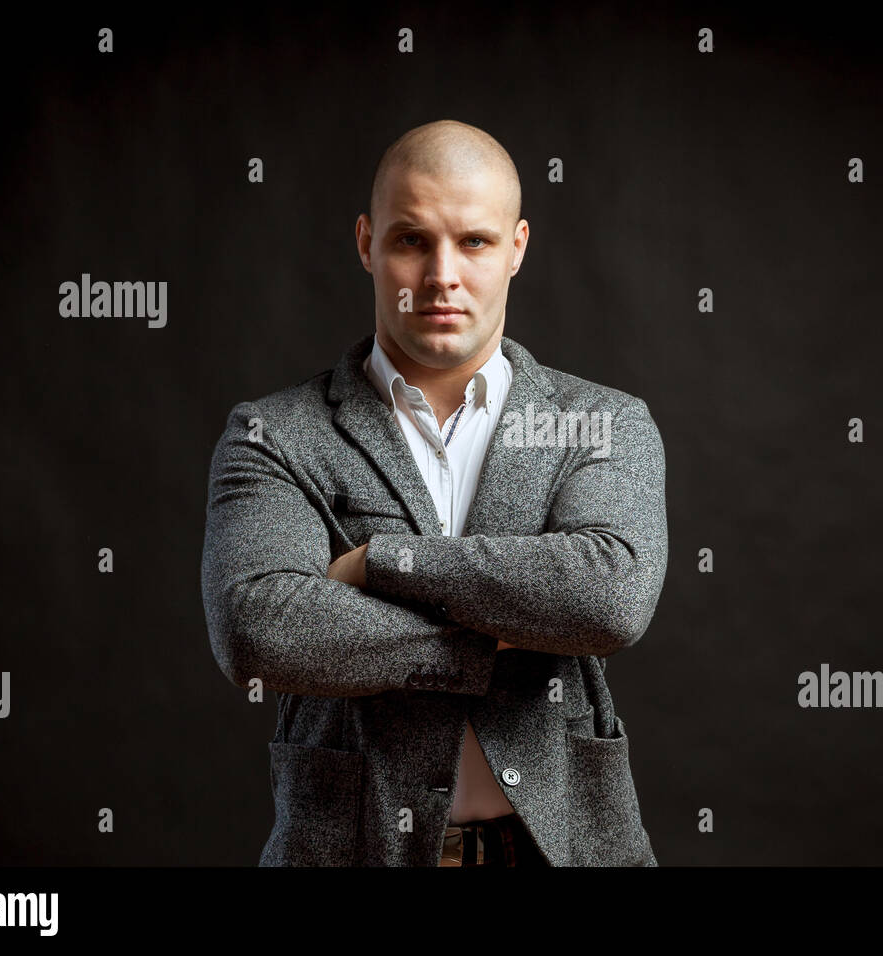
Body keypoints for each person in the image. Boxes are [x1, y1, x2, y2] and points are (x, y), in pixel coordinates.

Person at [200, 119, 667, 866]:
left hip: (569, 851)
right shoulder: (272, 434)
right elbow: (259, 630)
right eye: (412, 240)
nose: (441, 274)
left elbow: (608, 596)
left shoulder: (600, 424)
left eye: (474, 242)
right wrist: (501, 635)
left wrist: (379, 564)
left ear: (516, 246)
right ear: (366, 244)